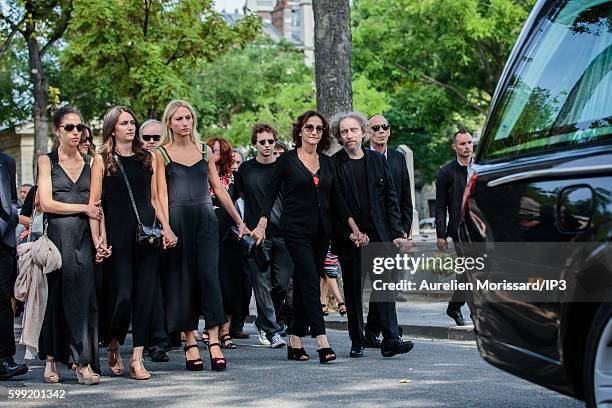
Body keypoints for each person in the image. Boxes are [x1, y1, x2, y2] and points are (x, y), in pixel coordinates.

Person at [251, 110, 366, 364]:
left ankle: (294, 339)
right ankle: (322, 341)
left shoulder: (327, 163)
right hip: (295, 229)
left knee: (305, 284)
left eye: (319, 128)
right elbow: (269, 195)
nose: (314, 131)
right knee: (311, 281)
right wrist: (261, 225)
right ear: (300, 130)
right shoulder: (287, 161)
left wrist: (353, 227)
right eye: (309, 127)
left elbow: (336, 198)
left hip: (321, 231)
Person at [155, 100, 249, 371]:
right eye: (178, 119)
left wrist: (239, 221)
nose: (184, 123)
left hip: (206, 220)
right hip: (177, 220)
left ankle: (215, 340)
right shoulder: (161, 153)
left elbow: (219, 190)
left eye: (188, 118)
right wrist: (166, 227)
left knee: (209, 278)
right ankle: (190, 343)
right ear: (169, 123)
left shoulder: (205, 150)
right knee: (183, 281)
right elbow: (159, 195)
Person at [89, 106, 169, 380]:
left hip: (146, 235)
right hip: (117, 237)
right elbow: (95, 204)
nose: (130, 127)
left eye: (132, 123)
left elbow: (156, 199)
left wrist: (166, 228)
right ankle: (113, 345)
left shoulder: (150, 157)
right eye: (124, 123)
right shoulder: (101, 159)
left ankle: (137, 358)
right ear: (112, 128)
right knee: (121, 296)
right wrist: (98, 238)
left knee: (145, 296)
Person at [331, 112, 415, 359]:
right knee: (355, 292)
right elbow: (334, 205)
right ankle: (358, 340)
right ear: (339, 136)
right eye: (344, 132)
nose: (349, 135)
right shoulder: (334, 164)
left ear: (362, 133)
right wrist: (349, 233)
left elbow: (391, 198)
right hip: (352, 239)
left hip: (379, 236)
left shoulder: (378, 160)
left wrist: (397, 232)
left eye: (353, 130)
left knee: (384, 287)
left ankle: (391, 339)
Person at [37, 105, 103, 384]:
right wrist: (82, 209)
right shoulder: (46, 161)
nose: (76, 132)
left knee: (84, 298)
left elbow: (96, 207)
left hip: (85, 237)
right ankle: (51, 358)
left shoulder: (93, 162)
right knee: (57, 297)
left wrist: (100, 240)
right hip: (57, 236)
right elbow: (46, 202)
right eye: (69, 127)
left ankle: (82, 363)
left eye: (79, 127)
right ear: (57, 131)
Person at [235, 123, 293, 349]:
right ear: (254, 144)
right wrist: (242, 226)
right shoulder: (246, 170)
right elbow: (238, 200)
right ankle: (272, 330)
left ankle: (263, 321)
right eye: (262, 142)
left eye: (271, 141)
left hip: (284, 233)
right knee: (261, 283)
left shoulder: (284, 168)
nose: (267, 146)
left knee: (281, 283)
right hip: (256, 235)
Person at [364, 114, 414, 347]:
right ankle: (391, 335)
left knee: (386, 281)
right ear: (368, 132)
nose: (381, 131)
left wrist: (405, 231)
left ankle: (372, 330)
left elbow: (405, 196)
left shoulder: (397, 158)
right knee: (384, 282)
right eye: (376, 128)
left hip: (395, 232)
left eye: (385, 127)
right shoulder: (363, 158)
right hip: (373, 232)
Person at [205, 137, 246, 349]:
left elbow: (247, 199)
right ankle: (210, 327)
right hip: (207, 234)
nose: (214, 153)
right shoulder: (201, 175)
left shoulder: (233, 177)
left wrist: (246, 224)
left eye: (218, 150)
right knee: (212, 282)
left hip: (229, 237)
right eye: (211, 149)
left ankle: (225, 331)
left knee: (230, 283)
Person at [436, 130, 474, 326]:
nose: (467, 147)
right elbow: (441, 205)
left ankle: (455, 306)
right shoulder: (446, 172)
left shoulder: (481, 168)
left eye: (469, 143)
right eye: (462, 144)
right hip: (460, 230)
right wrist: (441, 234)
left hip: (481, 228)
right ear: (454, 147)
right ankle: (472, 311)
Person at [0, 150, 28, 380]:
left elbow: (11, 201)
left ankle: (4, 359)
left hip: (2, 241)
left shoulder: (6, 161)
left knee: (2, 300)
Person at [320, 247, 346, 316]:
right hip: (323, 241)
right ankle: (340, 301)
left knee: (327, 271)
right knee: (329, 270)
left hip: (333, 242)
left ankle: (322, 302)